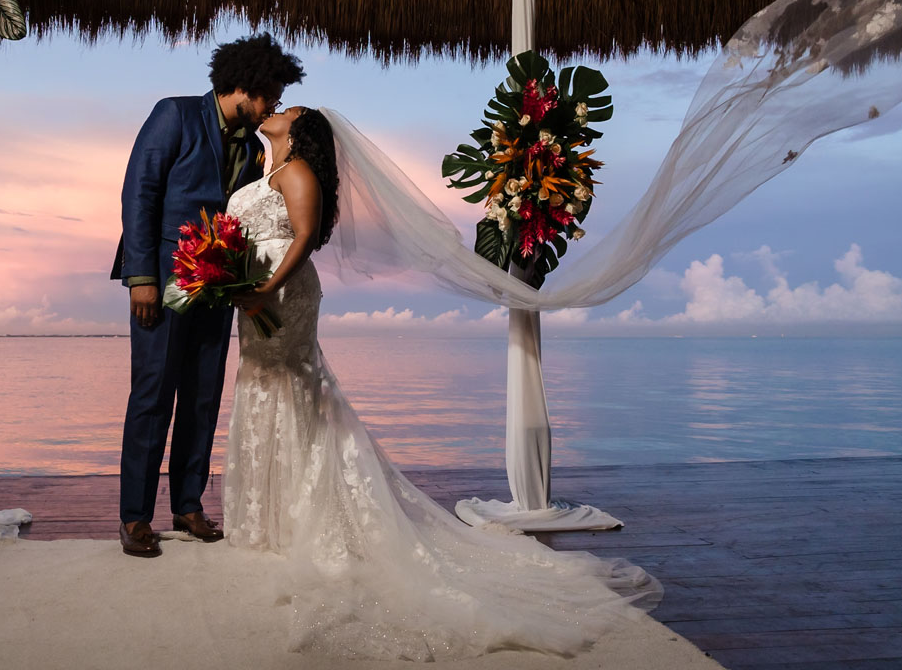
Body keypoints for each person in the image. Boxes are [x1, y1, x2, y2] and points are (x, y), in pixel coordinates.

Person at [224, 107, 662, 660]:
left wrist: (265, 287)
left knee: (294, 389)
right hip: (256, 291)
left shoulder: (298, 172)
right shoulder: (266, 171)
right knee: (264, 386)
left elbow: (306, 235)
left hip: (280, 293)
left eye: (286, 109)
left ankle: (307, 515)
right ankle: (273, 515)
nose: (274, 109)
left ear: (299, 130)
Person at [111, 34, 304, 557]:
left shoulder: (251, 145)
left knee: (202, 397)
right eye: (270, 96)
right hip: (164, 282)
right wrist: (141, 278)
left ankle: (188, 505)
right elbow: (139, 193)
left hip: (220, 289)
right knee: (152, 397)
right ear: (243, 86)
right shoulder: (173, 115)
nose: (273, 106)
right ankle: (135, 518)